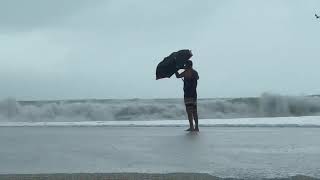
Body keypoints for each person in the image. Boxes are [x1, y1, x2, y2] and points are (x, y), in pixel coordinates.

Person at [175, 60, 199, 131]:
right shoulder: (195, 72)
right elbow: (197, 78)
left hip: (188, 94)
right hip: (194, 94)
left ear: (188, 65)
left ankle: (191, 127)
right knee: (194, 111)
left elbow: (178, 76)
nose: (184, 66)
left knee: (189, 112)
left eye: (185, 65)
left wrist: (175, 69)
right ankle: (196, 127)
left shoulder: (186, 72)